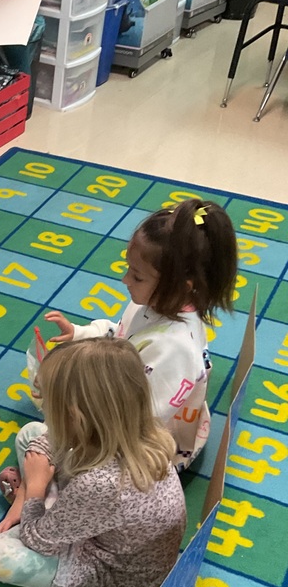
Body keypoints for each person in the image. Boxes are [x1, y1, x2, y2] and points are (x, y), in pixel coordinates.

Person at [0, 338, 186, 587]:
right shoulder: (137, 431)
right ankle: (38, 504)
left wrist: (34, 488)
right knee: (31, 434)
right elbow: (48, 438)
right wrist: (26, 495)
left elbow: (37, 542)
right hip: (98, 519)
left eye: (47, 401)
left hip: (113, 576)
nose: (42, 407)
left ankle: (40, 505)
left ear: (76, 417)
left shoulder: (100, 484)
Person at [44, 197, 238, 471]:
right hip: (122, 409)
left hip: (145, 449)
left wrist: (75, 403)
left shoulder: (174, 348)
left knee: (38, 441)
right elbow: (119, 338)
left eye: (137, 276)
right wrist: (80, 333)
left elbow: (140, 422)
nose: (125, 280)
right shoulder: (152, 302)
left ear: (181, 286)